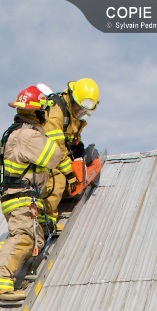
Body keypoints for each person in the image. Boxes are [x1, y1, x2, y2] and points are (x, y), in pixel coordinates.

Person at [0, 85, 71, 302]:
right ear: (38, 112)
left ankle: (1, 251)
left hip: (18, 196)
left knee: (36, 241)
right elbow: (54, 157)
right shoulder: (29, 136)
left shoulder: (15, 133)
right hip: (22, 197)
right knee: (23, 237)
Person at [42, 78, 100, 228]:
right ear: (72, 99)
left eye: (84, 111)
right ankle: (46, 221)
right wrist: (69, 173)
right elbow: (55, 147)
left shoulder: (73, 114)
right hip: (44, 156)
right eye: (79, 108)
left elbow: (71, 137)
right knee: (58, 179)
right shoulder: (56, 113)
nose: (80, 112)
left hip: (59, 155)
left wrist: (78, 149)